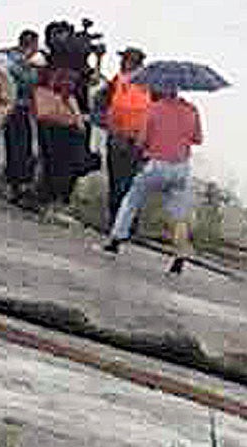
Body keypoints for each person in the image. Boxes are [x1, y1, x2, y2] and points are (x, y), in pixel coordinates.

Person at [103, 84, 204, 275]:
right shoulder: (191, 110)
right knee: (178, 215)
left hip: (156, 164)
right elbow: (197, 139)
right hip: (180, 168)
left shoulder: (153, 110)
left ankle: (115, 240)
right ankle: (180, 255)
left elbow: (142, 141)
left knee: (132, 200)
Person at [31, 22, 92, 208]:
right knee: (65, 162)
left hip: (50, 113)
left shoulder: (50, 61)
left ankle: (45, 196)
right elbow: (74, 93)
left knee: (51, 158)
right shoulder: (76, 68)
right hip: (71, 117)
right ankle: (57, 200)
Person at [94, 47, 151, 226]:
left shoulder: (119, 81)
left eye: (124, 60)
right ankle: (126, 223)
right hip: (138, 141)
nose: (121, 63)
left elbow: (99, 100)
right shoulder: (152, 84)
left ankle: (117, 222)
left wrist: (103, 122)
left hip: (121, 138)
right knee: (131, 184)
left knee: (118, 182)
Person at [0, 29, 42, 204]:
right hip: (17, 108)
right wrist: (32, 69)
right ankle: (14, 186)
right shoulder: (18, 61)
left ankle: (13, 185)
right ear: (31, 44)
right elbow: (28, 81)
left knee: (17, 147)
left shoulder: (5, 56)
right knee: (19, 148)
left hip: (12, 109)